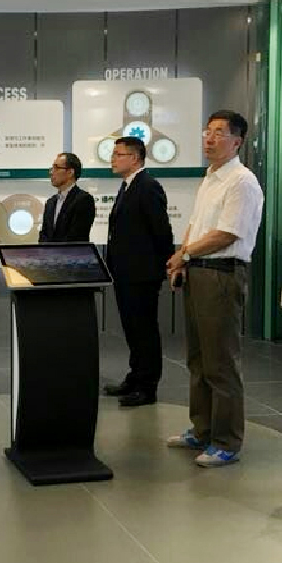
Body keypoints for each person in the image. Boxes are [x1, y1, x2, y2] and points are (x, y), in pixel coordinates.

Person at [166, 110, 264, 467]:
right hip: (198, 271)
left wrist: (185, 254)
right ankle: (202, 428)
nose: (209, 138)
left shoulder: (242, 181)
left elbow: (227, 234)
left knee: (221, 360)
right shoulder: (210, 178)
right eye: (207, 131)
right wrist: (182, 259)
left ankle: (226, 441)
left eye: (219, 132)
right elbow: (196, 225)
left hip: (222, 274)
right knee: (198, 358)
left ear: (237, 141)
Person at [102, 137, 174, 406]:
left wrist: (166, 265)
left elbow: (161, 230)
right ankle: (134, 377)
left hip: (142, 274)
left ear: (134, 158)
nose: (113, 159)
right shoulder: (127, 186)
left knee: (144, 330)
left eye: (118, 154)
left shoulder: (148, 186)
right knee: (132, 328)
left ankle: (147, 386)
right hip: (125, 273)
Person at [38, 152, 95, 243]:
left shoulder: (84, 200)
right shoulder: (50, 202)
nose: (51, 172)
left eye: (56, 168)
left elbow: (76, 236)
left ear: (70, 172)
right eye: (52, 168)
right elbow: (44, 234)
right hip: (48, 252)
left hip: (72, 252)